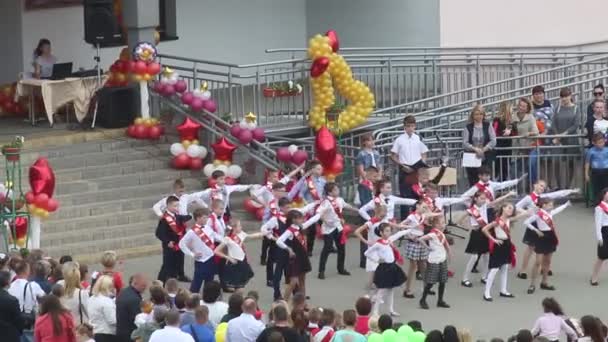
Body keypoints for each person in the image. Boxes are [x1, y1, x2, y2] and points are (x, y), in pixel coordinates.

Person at [515, 180, 580, 279]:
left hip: (544, 224)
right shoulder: (528, 198)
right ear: (534, 185)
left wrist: (571, 191)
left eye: (543, 187)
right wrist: (527, 212)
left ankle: (544, 268)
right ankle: (523, 270)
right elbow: (516, 207)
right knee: (531, 247)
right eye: (540, 186)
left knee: (545, 247)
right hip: (533, 223)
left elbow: (557, 194)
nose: (542, 188)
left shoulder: (544, 197)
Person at [461, 190, 516, 287]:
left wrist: (508, 194)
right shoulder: (471, 210)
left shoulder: (485, 206)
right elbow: (460, 220)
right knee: (474, 257)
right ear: (475, 198)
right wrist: (469, 226)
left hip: (485, 233)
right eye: (481, 198)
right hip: (476, 234)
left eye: (484, 199)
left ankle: (484, 277)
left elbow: (497, 201)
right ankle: (465, 278)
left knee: (486, 255)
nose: (483, 200)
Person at [482, 202, 529, 301]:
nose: (510, 210)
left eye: (512, 209)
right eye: (509, 208)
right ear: (503, 208)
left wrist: (523, 209)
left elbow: (525, 214)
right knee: (494, 269)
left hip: (506, 244)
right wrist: (493, 239)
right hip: (499, 245)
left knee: (505, 268)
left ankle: (503, 290)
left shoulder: (508, 220)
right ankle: (486, 292)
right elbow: (484, 229)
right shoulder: (497, 221)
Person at [524, 199, 572, 293]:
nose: (552, 206)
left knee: (547, 261)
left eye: (552, 205)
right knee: (538, 262)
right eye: (550, 205)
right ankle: (532, 284)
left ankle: (544, 282)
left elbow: (558, 210)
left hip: (550, 236)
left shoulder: (550, 213)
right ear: (544, 205)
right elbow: (526, 222)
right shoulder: (538, 214)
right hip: (541, 237)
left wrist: (566, 205)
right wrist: (536, 230)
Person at [315, 182, 358, 279]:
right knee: (327, 249)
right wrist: (325, 221)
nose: (338, 191)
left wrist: (359, 210)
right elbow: (319, 213)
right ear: (329, 192)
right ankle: (321, 271)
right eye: (335, 190)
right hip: (328, 229)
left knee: (341, 249)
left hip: (338, 227)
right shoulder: (326, 202)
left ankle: (341, 268)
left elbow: (347, 206)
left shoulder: (340, 200)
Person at [365, 223, 409, 316]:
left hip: (392, 267)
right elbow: (367, 253)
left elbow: (398, 235)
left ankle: (391, 310)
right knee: (381, 291)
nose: (389, 233)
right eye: (387, 231)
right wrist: (377, 259)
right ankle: (375, 312)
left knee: (391, 290)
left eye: (389, 231)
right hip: (384, 268)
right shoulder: (378, 244)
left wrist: (410, 229)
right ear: (381, 233)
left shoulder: (389, 241)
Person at [390, 115, 429, 219]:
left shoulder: (417, 138)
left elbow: (424, 152)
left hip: (416, 168)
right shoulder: (399, 139)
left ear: (415, 126)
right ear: (404, 127)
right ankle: (405, 219)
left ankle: (416, 219)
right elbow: (393, 155)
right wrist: (401, 165)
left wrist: (422, 163)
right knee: (404, 196)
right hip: (405, 168)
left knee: (416, 194)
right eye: (408, 126)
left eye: (412, 126)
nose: (410, 128)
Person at [274, 210, 317, 301]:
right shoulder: (290, 231)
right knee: (293, 282)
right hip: (295, 258)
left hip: (303, 256)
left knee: (302, 281)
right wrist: (288, 249)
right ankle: (284, 301)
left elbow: (311, 221)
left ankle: (303, 302)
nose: (302, 220)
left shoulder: (300, 227)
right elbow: (279, 241)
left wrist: (321, 213)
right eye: (300, 218)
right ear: (293, 220)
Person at [288, 160, 327, 254]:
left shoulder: (323, 181)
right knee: (312, 229)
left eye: (321, 169)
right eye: (318, 169)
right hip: (311, 208)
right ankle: (309, 249)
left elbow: (325, 194)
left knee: (326, 226)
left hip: (322, 207)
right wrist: (308, 205)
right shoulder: (307, 182)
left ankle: (329, 246)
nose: (320, 170)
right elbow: (301, 195)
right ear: (312, 170)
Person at [179, 208, 222, 293]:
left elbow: (215, 236)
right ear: (198, 218)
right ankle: (192, 301)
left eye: (207, 217)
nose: (207, 219)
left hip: (211, 258)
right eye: (205, 217)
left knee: (209, 283)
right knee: (196, 284)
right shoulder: (192, 232)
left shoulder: (208, 227)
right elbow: (181, 244)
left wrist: (226, 240)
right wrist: (192, 254)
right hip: (201, 261)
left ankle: (208, 299)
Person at [214, 219, 262, 292]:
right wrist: (228, 258)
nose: (241, 227)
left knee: (240, 288)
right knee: (239, 289)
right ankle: (236, 301)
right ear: (234, 228)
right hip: (234, 264)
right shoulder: (227, 239)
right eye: (239, 226)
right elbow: (216, 251)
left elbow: (251, 236)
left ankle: (237, 301)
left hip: (242, 262)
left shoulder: (241, 234)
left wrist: (263, 233)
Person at [551, 87, 582, 189]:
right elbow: (553, 123)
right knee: (556, 162)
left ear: (570, 96)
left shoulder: (576, 108)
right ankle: (559, 186)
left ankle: (568, 186)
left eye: (566, 96)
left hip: (571, 139)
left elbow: (576, 124)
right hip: (558, 140)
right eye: (562, 96)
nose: (564, 99)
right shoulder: (557, 108)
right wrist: (557, 135)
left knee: (570, 163)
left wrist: (564, 133)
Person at [418, 216, 451, 310]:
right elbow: (421, 239)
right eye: (442, 222)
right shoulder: (432, 234)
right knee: (430, 282)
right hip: (434, 260)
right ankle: (423, 300)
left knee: (443, 281)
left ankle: (440, 300)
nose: (444, 224)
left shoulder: (441, 233)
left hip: (442, 258)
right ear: (436, 224)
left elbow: (445, 244)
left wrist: (449, 253)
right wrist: (427, 248)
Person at [156, 196, 191, 283]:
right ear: (168, 206)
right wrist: (167, 241)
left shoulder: (177, 216)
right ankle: (160, 281)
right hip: (169, 245)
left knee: (179, 260)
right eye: (175, 206)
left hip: (179, 243)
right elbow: (159, 233)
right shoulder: (164, 219)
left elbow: (184, 218)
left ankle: (178, 276)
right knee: (167, 264)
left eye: (178, 206)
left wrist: (193, 215)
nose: (177, 208)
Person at [9, 260, 45, 342]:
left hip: (15, 320)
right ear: (26, 271)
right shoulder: (33, 285)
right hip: (29, 319)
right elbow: (44, 298)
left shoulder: (10, 286)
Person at [463, 104, 497, 186]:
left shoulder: (488, 125)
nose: (479, 116)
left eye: (481, 114)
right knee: (473, 181)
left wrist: (484, 149)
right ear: (473, 115)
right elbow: (465, 143)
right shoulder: (468, 127)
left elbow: (493, 140)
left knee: (486, 179)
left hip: (485, 157)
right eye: (477, 114)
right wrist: (475, 149)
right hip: (472, 158)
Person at [512, 97, 541, 184]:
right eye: (520, 105)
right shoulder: (513, 117)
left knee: (530, 165)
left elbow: (536, 132)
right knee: (514, 170)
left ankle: (533, 186)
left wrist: (528, 133)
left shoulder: (530, 117)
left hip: (529, 147)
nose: (521, 108)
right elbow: (509, 128)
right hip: (516, 149)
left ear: (527, 108)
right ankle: (515, 190)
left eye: (524, 106)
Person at [116, 273, 148, 342]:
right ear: (135, 283)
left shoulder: (123, 292)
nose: (145, 288)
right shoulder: (135, 299)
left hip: (120, 331)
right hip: (129, 335)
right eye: (143, 286)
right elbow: (137, 319)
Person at [87, 275, 116, 342]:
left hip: (95, 332)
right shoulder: (107, 301)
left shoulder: (91, 299)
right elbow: (112, 320)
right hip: (107, 334)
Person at [0, 270, 24, 342]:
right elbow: (18, 320)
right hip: (9, 336)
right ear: (8, 283)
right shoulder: (12, 300)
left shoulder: (12, 300)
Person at [591, 188, 608, 286]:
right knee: (601, 257)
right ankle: (594, 277)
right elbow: (598, 224)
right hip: (605, 232)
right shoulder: (599, 208)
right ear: (604, 195)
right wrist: (599, 238)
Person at [586, 133, 608, 205]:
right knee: (596, 188)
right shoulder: (591, 151)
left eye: (602, 142)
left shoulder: (607, 150)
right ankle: (598, 204)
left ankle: (606, 203)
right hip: (596, 172)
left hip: (606, 171)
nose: (601, 144)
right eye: (599, 143)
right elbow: (587, 163)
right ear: (594, 143)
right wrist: (586, 174)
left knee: (606, 188)